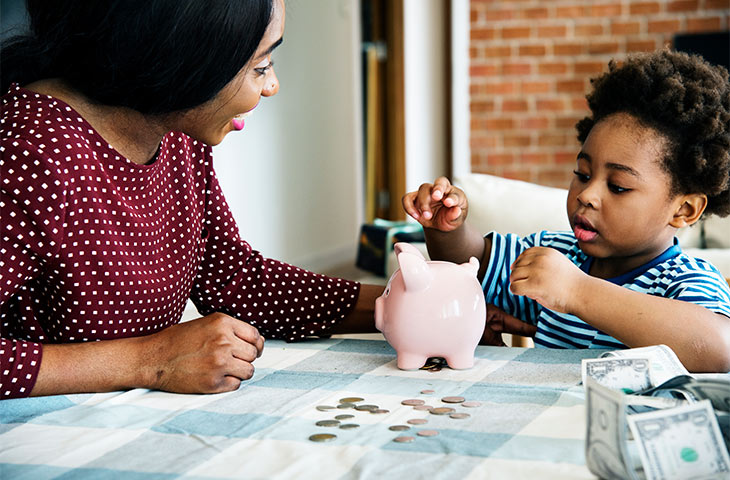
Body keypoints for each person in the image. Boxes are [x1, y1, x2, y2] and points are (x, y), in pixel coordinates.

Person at [0, 0, 383, 400]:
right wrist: (150, 360)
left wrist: (399, 305)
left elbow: (233, 280)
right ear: (183, 56)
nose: (272, 86)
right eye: (260, 66)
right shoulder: (32, 155)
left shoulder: (172, 128)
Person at [403, 49, 730, 373]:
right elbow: (473, 264)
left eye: (617, 186)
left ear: (684, 209)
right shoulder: (555, 254)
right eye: (583, 174)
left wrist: (576, 291)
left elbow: (719, 350)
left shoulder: (686, 282)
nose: (587, 194)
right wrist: (447, 228)